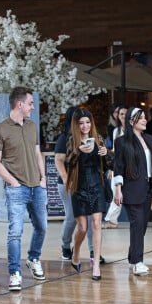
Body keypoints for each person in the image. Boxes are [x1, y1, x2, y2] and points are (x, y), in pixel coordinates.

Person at [0, 87, 48, 291]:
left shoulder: (32, 126)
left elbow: (37, 153)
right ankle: (14, 272)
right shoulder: (0, 130)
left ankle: (33, 258)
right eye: (30, 103)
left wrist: (43, 179)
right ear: (19, 104)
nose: (33, 107)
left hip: (37, 187)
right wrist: (13, 182)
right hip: (16, 190)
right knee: (15, 233)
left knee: (42, 228)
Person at [113, 108, 152, 276]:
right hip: (131, 188)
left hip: (148, 187)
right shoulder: (121, 142)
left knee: (143, 225)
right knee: (137, 223)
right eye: (140, 118)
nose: (144, 120)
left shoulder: (149, 139)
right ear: (131, 122)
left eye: (144, 117)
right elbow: (118, 167)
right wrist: (118, 190)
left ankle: (132, 255)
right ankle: (137, 262)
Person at [65, 108, 109, 281]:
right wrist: (78, 151)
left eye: (88, 122)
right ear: (76, 125)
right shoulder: (72, 140)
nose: (85, 126)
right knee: (82, 228)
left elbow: (109, 164)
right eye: (81, 123)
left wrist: (107, 154)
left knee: (97, 224)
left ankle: (96, 265)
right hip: (79, 187)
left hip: (97, 185)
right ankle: (75, 253)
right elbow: (68, 162)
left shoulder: (98, 139)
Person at [54, 106, 101, 263]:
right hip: (68, 183)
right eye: (79, 119)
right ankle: (66, 246)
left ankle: (94, 251)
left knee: (90, 218)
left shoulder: (92, 137)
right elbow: (59, 161)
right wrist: (67, 179)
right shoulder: (65, 139)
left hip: (86, 182)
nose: (84, 124)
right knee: (72, 218)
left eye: (86, 120)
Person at [103, 106, 127, 229]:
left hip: (131, 167)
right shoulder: (116, 131)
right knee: (115, 192)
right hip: (118, 165)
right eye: (120, 114)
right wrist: (111, 168)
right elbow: (114, 151)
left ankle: (112, 220)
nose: (122, 116)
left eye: (125, 113)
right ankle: (112, 220)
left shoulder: (134, 130)